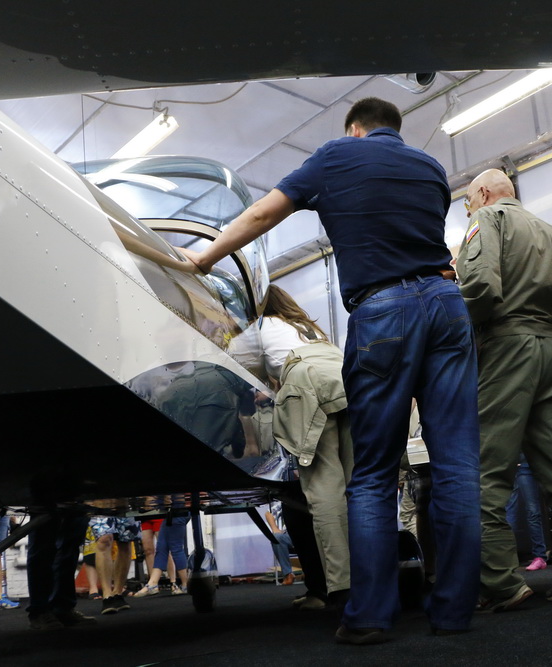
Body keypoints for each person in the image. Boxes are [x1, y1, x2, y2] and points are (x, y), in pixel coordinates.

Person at [181, 97, 481, 643]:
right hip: (446, 304)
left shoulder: (337, 154)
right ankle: (455, 612)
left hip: (383, 310)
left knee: (372, 474)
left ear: (355, 129)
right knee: (457, 466)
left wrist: (203, 258)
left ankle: (370, 617)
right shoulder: (430, 167)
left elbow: (263, 213)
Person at [456, 168, 552, 609]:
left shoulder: (487, 219)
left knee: (488, 468)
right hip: (547, 350)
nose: (468, 210)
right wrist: (543, 329)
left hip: (505, 348)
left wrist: (460, 327)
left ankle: (502, 582)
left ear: (483, 193)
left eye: (468, 202)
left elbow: (480, 285)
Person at [262, 285, 352, 606]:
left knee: (323, 487)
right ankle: (371, 577)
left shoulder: (260, 326)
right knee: (355, 487)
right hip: (346, 378)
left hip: (307, 381)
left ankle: (340, 586)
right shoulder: (307, 327)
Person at [25, 511, 95, 630]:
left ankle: (62, 609)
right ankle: (39, 611)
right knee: (42, 546)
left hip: (75, 503)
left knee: (69, 549)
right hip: (44, 502)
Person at [265, 503, 296, 586]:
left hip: (311, 534)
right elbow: (268, 513)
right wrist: (275, 529)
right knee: (277, 537)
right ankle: (288, 574)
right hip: (291, 536)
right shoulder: (286, 502)